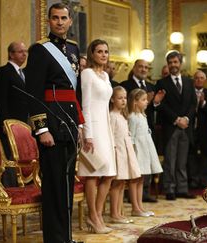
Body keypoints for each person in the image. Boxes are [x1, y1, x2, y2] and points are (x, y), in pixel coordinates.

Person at [24, 3, 84, 242]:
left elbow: (75, 92)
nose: (60, 22)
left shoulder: (73, 48)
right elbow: (33, 92)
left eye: (64, 18)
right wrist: (42, 129)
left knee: (67, 184)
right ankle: (55, 239)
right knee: (54, 187)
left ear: (70, 21)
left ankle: (66, 237)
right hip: (51, 124)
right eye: (55, 18)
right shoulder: (39, 50)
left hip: (68, 126)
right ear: (48, 21)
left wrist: (79, 125)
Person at [78, 39, 115, 234]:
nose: (103, 55)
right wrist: (87, 133)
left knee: (109, 173)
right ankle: (93, 215)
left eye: (106, 51)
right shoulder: (87, 74)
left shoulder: (106, 76)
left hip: (106, 127)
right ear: (92, 54)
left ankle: (98, 215)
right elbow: (85, 105)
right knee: (93, 172)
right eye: (99, 51)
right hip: (93, 129)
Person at [155, 51, 197, 200]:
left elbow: (193, 104)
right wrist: (176, 119)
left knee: (182, 160)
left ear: (180, 63)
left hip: (186, 127)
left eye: (175, 62)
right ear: (167, 64)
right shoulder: (162, 83)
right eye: (170, 62)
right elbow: (161, 105)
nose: (173, 65)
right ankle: (169, 189)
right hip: (171, 126)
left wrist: (186, 118)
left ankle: (182, 188)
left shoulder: (188, 81)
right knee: (170, 160)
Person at [120, 59, 157, 202]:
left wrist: (155, 101)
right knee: (136, 174)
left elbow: (151, 109)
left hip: (146, 133)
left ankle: (144, 195)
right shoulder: (126, 85)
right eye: (140, 66)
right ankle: (133, 198)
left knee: (145, 171)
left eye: (146, 67)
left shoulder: (151, 86)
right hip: (136, 141)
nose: (143, 69)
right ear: (134, 67)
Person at [0, 41, 28, 187]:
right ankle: (9, 187)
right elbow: (0, 98)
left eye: (25, 51)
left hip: (23, 123)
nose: (24, 54)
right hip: (8, 124)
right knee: (9, 156)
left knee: (20, 155)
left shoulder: (24, 73)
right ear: (11, 54)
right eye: (21, 51)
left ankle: (22, 185)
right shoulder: (4, 71)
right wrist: (4, 121)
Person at [128, 88, 163, 215]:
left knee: (141, 179)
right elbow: (131, 137)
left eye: (146, 99)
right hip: (137, 151)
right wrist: (131, 155)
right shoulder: (132, 117)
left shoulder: (142, 115)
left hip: (145, 150)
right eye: (143, 100)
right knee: (135, 179)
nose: (146, 102)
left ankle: (140, 206)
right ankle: (135, 207)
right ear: (135, 102)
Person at [108, 86, 141, 223]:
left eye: (125, 98)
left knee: (122, 183)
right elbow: (110, 136)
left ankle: (119, 212)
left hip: (125, 152)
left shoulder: (122, 116)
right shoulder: (112, 116)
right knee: (116, 184)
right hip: (118, 153)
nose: (123, 101)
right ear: (112, 99)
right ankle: (114, 214)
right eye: (120, 98)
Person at [187, 70, 207, 188]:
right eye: (197, 78)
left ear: (205, 80)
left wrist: (203, 103)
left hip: (204, 129)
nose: (199, 80)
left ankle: (205, 179)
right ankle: (193, 179)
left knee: (205, 154)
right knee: (191, 154)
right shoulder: (187, 92)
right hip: (190, 128)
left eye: (201, 78)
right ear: (194, 79)